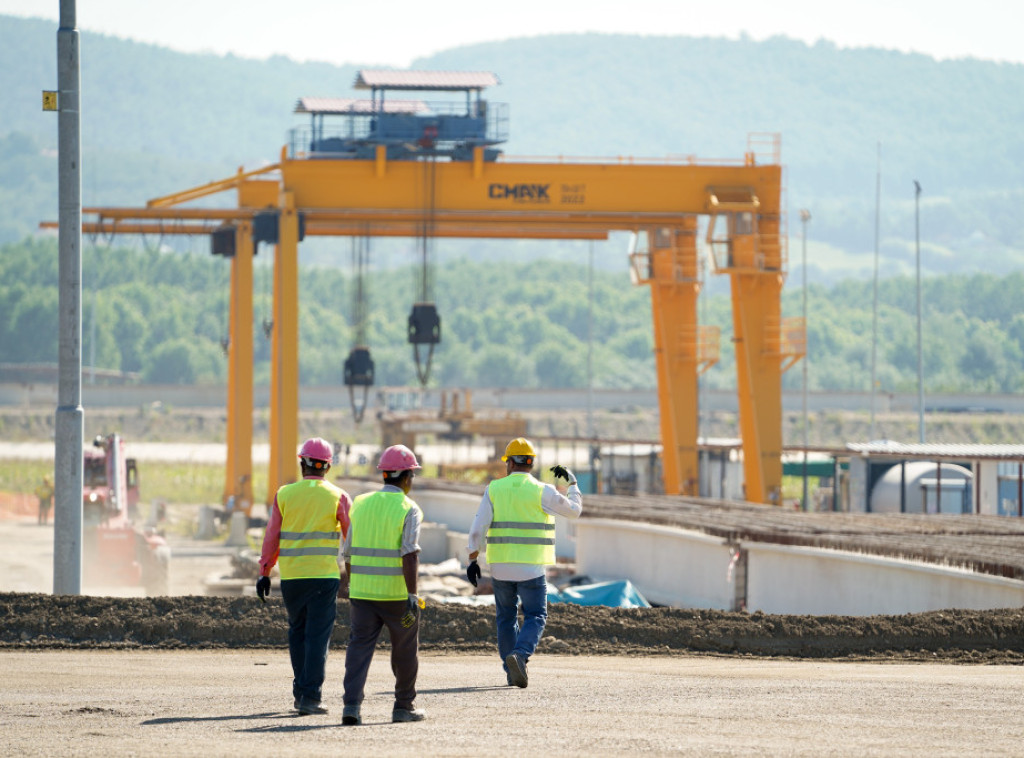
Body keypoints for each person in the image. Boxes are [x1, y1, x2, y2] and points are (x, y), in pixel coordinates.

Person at [467, 437, 582, 688]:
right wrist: (572, 482)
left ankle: (512, 672)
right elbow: (574, 510)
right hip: (531, 568)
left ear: (509, 463)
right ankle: (519, 656)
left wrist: (472, 559)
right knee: (536, 615)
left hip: (500, 567)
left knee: (505, 618)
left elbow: (477, 529)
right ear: (531, 463)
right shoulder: (543, 491)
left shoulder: (494, 489)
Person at [257, 437, 351, 716]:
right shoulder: (338, 496)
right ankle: (311, 697)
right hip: (323, 578)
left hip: (292, 578)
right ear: (327, 467)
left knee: (297, 633)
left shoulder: (284, 494)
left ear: (302, 464)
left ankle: (301, 693)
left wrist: (264, 572)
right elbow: (351, 538)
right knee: (317, 638)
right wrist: (352, 572)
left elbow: (271, 536)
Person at [340, 444, 425, 725]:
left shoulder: (361, 503)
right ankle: (403, 707)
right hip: (396, 595)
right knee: (405, 649)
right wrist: (412, 594)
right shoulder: (408, 508)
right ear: (407, 477)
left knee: (358, 649)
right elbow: (409, 553)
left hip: (362, 593)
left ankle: (351, 706)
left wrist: (353, 586)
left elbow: (348, 552)